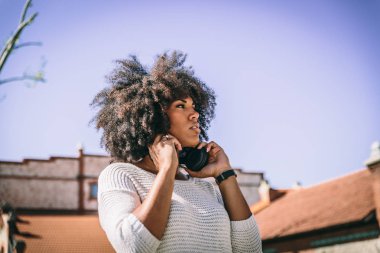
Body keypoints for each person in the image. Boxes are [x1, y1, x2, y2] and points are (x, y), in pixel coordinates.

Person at [92, 51, 262, 253]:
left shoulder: (205, 186)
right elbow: (133, 245)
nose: (195, 114)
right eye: (181, 106)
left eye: (194, 106)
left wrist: (224, 174)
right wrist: (166, 169)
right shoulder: (120, 175)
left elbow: (250, 249)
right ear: (152, 117)